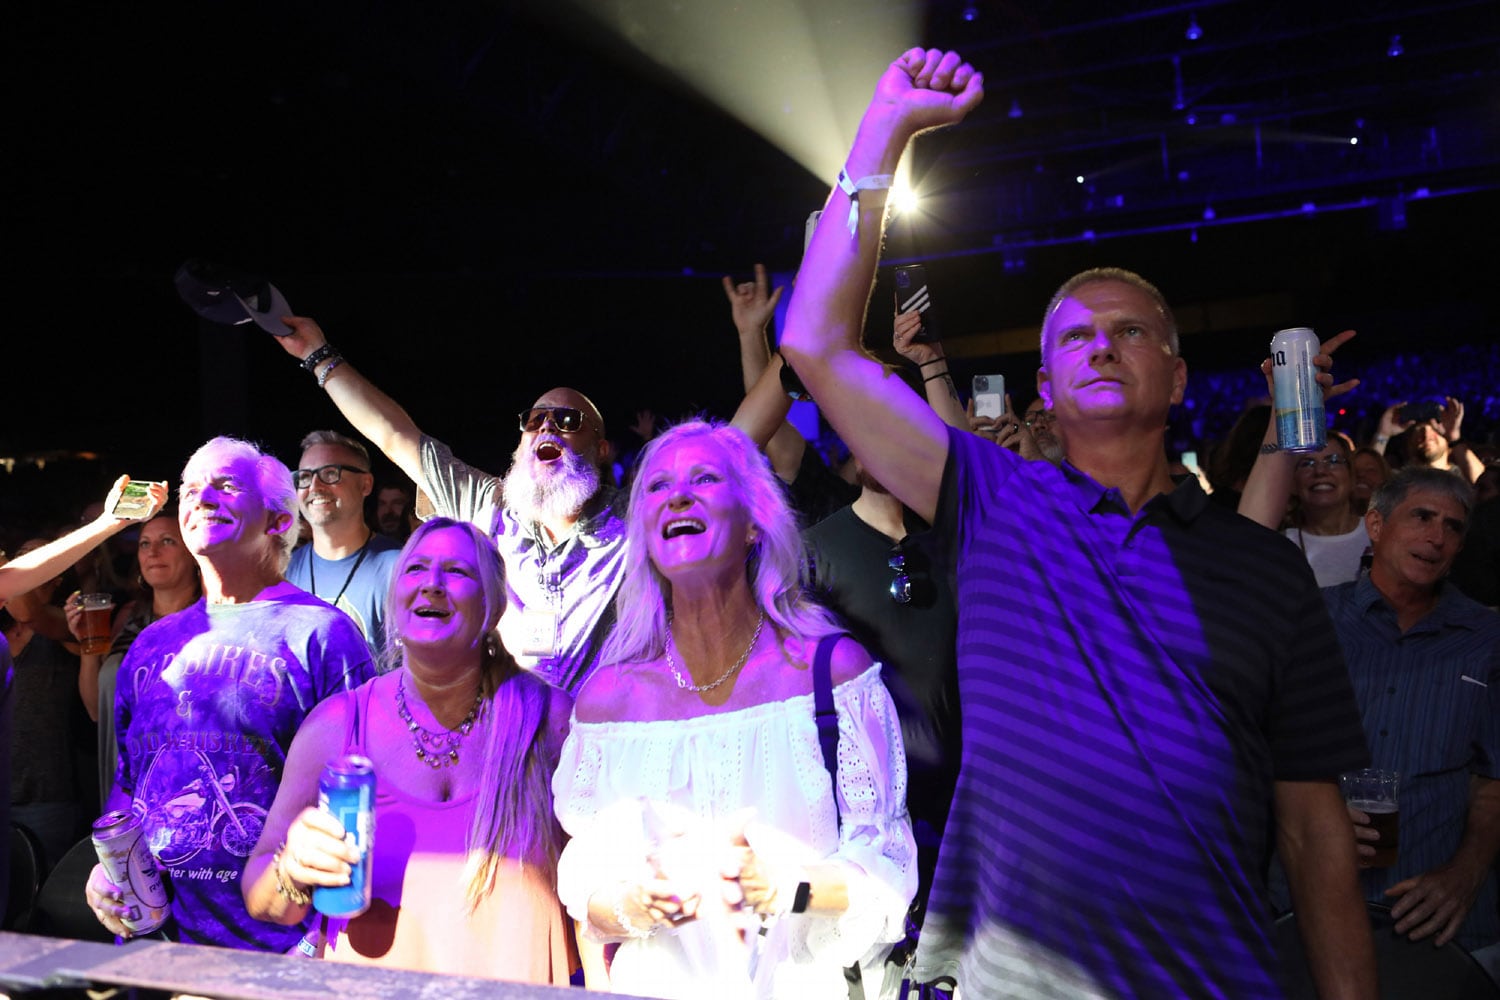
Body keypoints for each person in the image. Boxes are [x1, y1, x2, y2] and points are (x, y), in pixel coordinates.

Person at [778, 48, 1375, 998]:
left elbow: (1312, 827)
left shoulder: (1262, 568)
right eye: (1076, 337)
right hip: (1012, 978)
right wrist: (882, 135)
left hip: (1208, 978)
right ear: (1046, 388)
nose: (1103, 342)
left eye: (1132, 330)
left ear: (1177, 378)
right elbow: (814, 341)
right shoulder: (993, 500)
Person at [553, 420, 916, 998]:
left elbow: (890, 876)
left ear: (752, 523)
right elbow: (587, 899)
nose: (678, 495)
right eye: (657, 486)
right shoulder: (607, 704)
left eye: (704, 478)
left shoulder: (832, 675)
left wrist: (784, 887)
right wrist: (639, 905)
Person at [243, 517, 575, 981]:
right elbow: (262, 899)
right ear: (396, 597)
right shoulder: (336, 725)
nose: (433, 584)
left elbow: (599, 893)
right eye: (416, 569)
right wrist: (292, 869)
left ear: (493, 606)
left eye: (458, 572)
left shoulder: (548, 721)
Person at [84, 436, 375, 951]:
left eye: (225, 486)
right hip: (156, 945)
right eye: (191, 490)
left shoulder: (323, 636)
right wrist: (106, 872)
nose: (201, 498)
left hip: (276, 950)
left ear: (279, 520)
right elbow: (127, 787)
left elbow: (360, 792)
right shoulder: (151, 642)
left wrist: (323, 938)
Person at [268, 317, 624, 695]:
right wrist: (317, 355)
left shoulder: (632, 519)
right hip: (509, 730)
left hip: (604, 733)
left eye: (568, 420)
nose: (547, 428)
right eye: (535, 420)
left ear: (601, 449)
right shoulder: (491, 505)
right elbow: (395, 436)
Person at [1319, 467, 1500, 975]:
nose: (1437, 537)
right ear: (1375, 526)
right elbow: (1255, 748)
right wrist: (1319, 813)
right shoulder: (1315, 620)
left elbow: (1496, 775)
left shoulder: (1485, 638)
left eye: (1453, 526)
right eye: (1421, 516)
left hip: (1442, 913)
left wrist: (1465, 874)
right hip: (1315, 901)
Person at [65, 508, 201, 806]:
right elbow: (96, 710)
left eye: (167, 541)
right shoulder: (128, 618)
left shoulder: (209, 619)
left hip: (184, 776)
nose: (153, 551)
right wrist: (87, 646)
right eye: (144, 543)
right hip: (124, 774)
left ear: (193, 553)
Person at [285, 430, 401, 656]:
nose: (315, 487)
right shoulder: (287, 570)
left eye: (330, 473)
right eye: (305, 477)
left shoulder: (398, 566)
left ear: (365, 484)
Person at [1240, 430, 1371, 587]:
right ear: (1293, 483)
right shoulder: (1283, 548)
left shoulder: (1379, 534)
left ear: (1352, 477)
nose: (1320, 471)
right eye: (1307, 463)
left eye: (1333, 461)